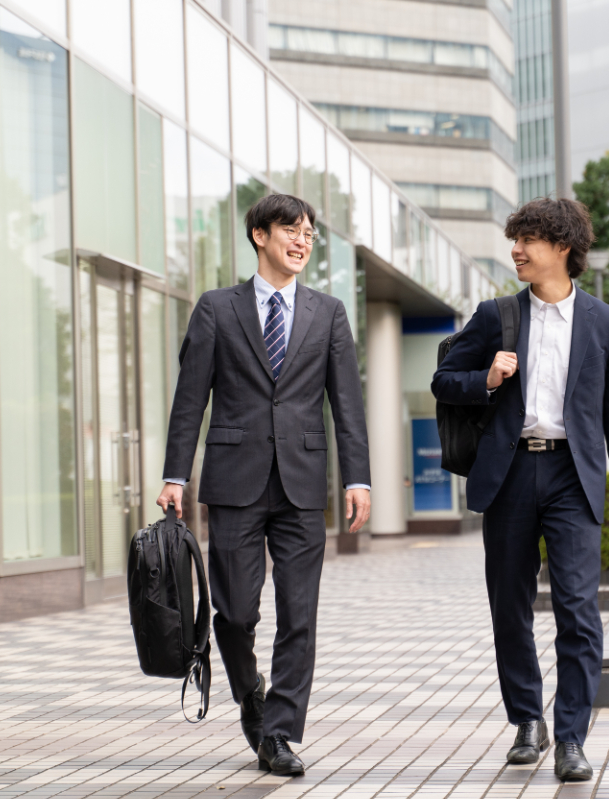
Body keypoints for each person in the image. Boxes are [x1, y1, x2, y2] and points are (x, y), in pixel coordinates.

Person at [157, 194, 371, 777]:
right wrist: (176, 474)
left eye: (309, 234)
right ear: (259, 235)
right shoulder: (216, 310)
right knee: (234, 612)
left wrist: (358, 478)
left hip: (303, 485)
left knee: (300, 614)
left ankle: (277, 733)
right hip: (234, 482)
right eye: (290, 230)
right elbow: (190, 400)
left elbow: (346, 404)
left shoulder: (327, 313)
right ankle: (250, 690)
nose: (301, 242)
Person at [430, 197, 609, 782]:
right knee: (510, 605)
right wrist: (486, 379)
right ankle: (528, 720)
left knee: (579, 610)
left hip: (574, 479)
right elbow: (443, 380)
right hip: (510, 475)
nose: (517, 250)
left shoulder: (606, 323)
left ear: (563, 248)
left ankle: (572, 735)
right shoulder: (496, 315)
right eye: (515, 239)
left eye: (528, 240)